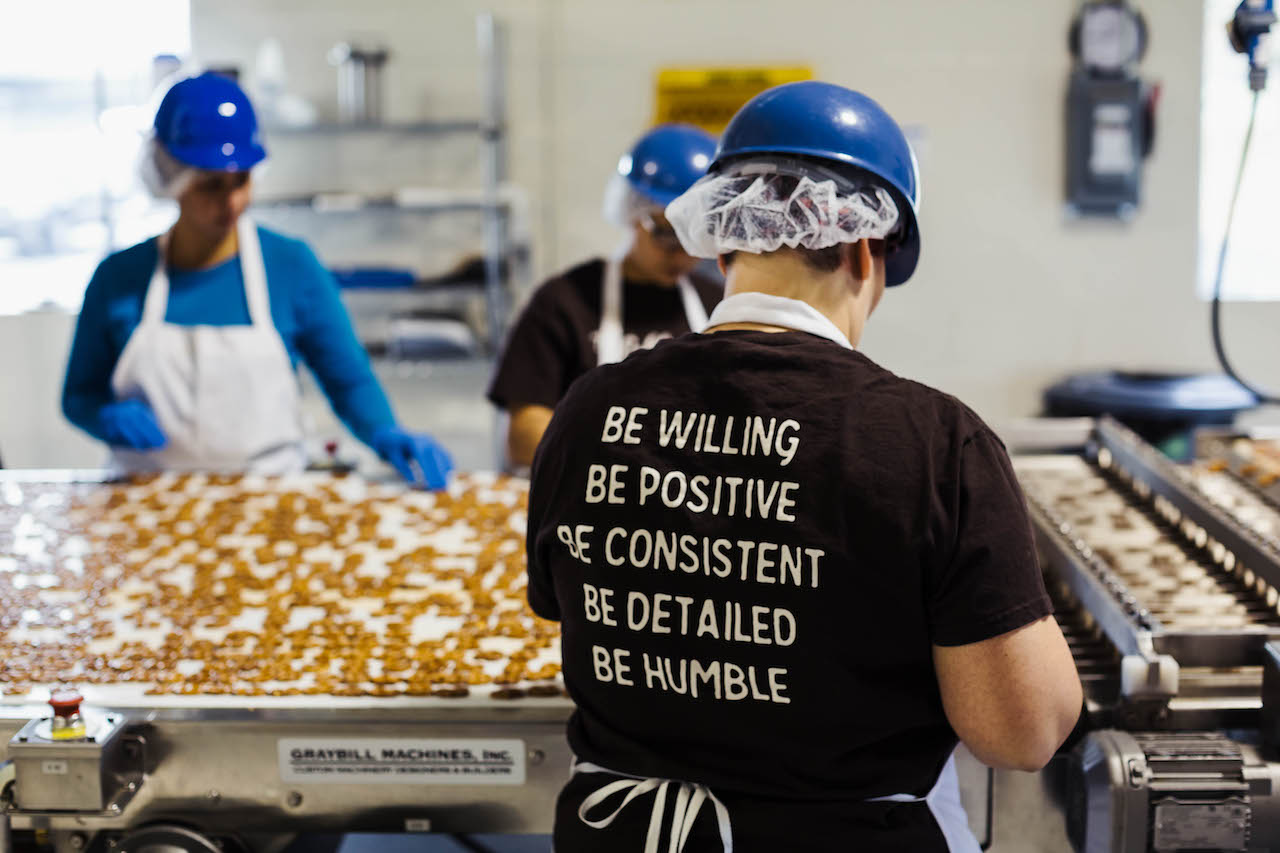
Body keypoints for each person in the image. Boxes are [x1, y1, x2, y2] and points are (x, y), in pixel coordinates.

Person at [525, 81, 1082, 851]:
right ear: (866, 250)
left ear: (724, 244)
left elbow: (567, 605)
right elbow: (1022, 732)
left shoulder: (588, 409)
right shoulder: (935, 442)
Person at [61, 72, 452, 486]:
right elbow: (78, 396)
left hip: (269, 497)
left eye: (242, 181)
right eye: (211, 186)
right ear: (169, 176)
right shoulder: (118, 278)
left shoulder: (291, 266)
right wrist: (104, 416)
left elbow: (348, 380)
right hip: (144, 498)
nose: (231, 202)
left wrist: (384, 431)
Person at [486, 123, 723, 469]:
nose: (682, 255)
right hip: (585, 498)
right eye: (668, 234)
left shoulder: (718, 305)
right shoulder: (563, 302)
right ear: (631, 213)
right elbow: (523, 436)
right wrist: (622, 465)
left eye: (696, 237)